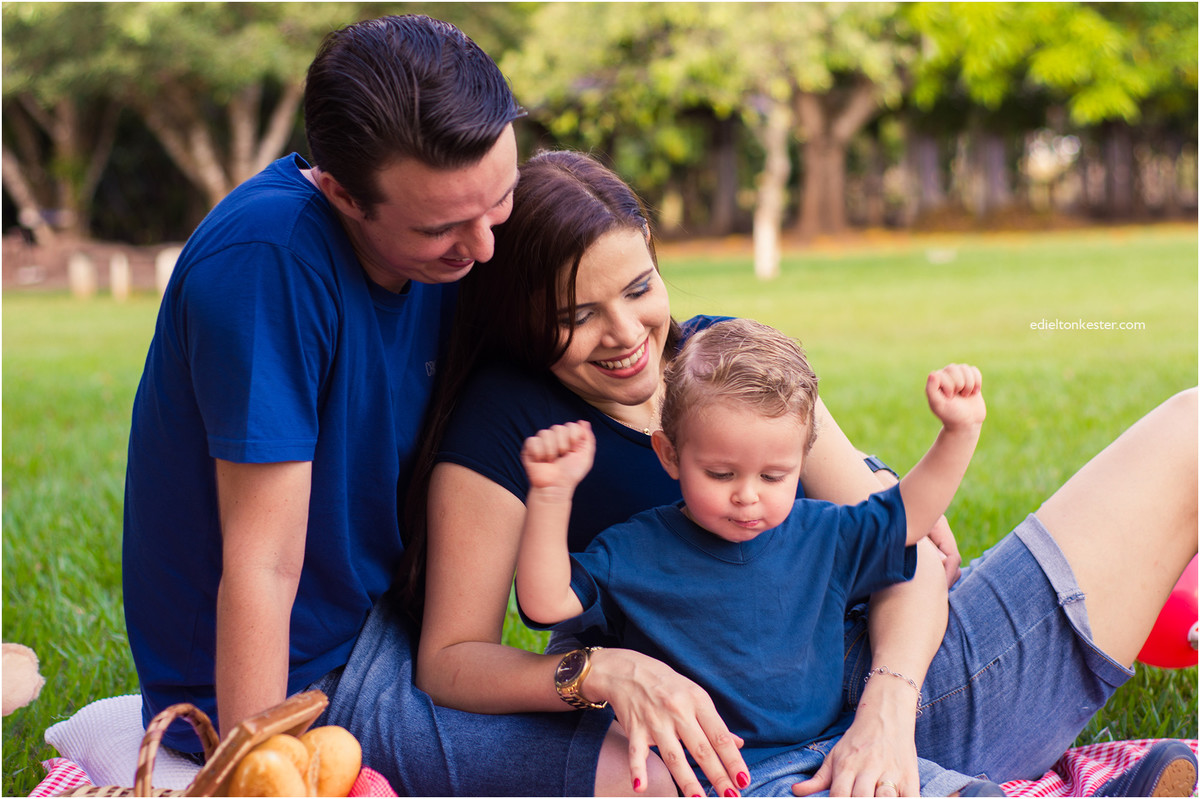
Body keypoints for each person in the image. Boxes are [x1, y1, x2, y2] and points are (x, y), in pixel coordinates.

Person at [408, 149, 1198, 798]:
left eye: (640, 287)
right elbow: (451, 658)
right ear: (519, 313)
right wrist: (601, 670)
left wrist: (886, 711)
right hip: (767, 763)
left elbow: (911, 546)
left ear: (654, 251)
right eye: (576, 315)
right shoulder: (511, 425)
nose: (626, 335)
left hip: (912, 685)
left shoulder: (729, 365)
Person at [121, 16, 629, 796]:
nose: (483, 249)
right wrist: (262, 763)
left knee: (718, 708)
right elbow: (263, 563)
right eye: (441, 228)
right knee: (641, 769)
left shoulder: (453, 253)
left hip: (396, 612)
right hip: (306, 663)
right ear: (340, 192)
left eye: (499, 200)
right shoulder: (268, 265)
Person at [514, 318, 992, 796]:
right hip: (729, 775)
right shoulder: (636, 549)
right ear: (670, 455)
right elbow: (546, 603)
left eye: (773, 476)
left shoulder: (823, 533)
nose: (747, 496)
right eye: (721, 474)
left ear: (802, 460)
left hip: (838, 745)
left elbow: (909, 519)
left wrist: (959, 431)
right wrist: (550, 497)